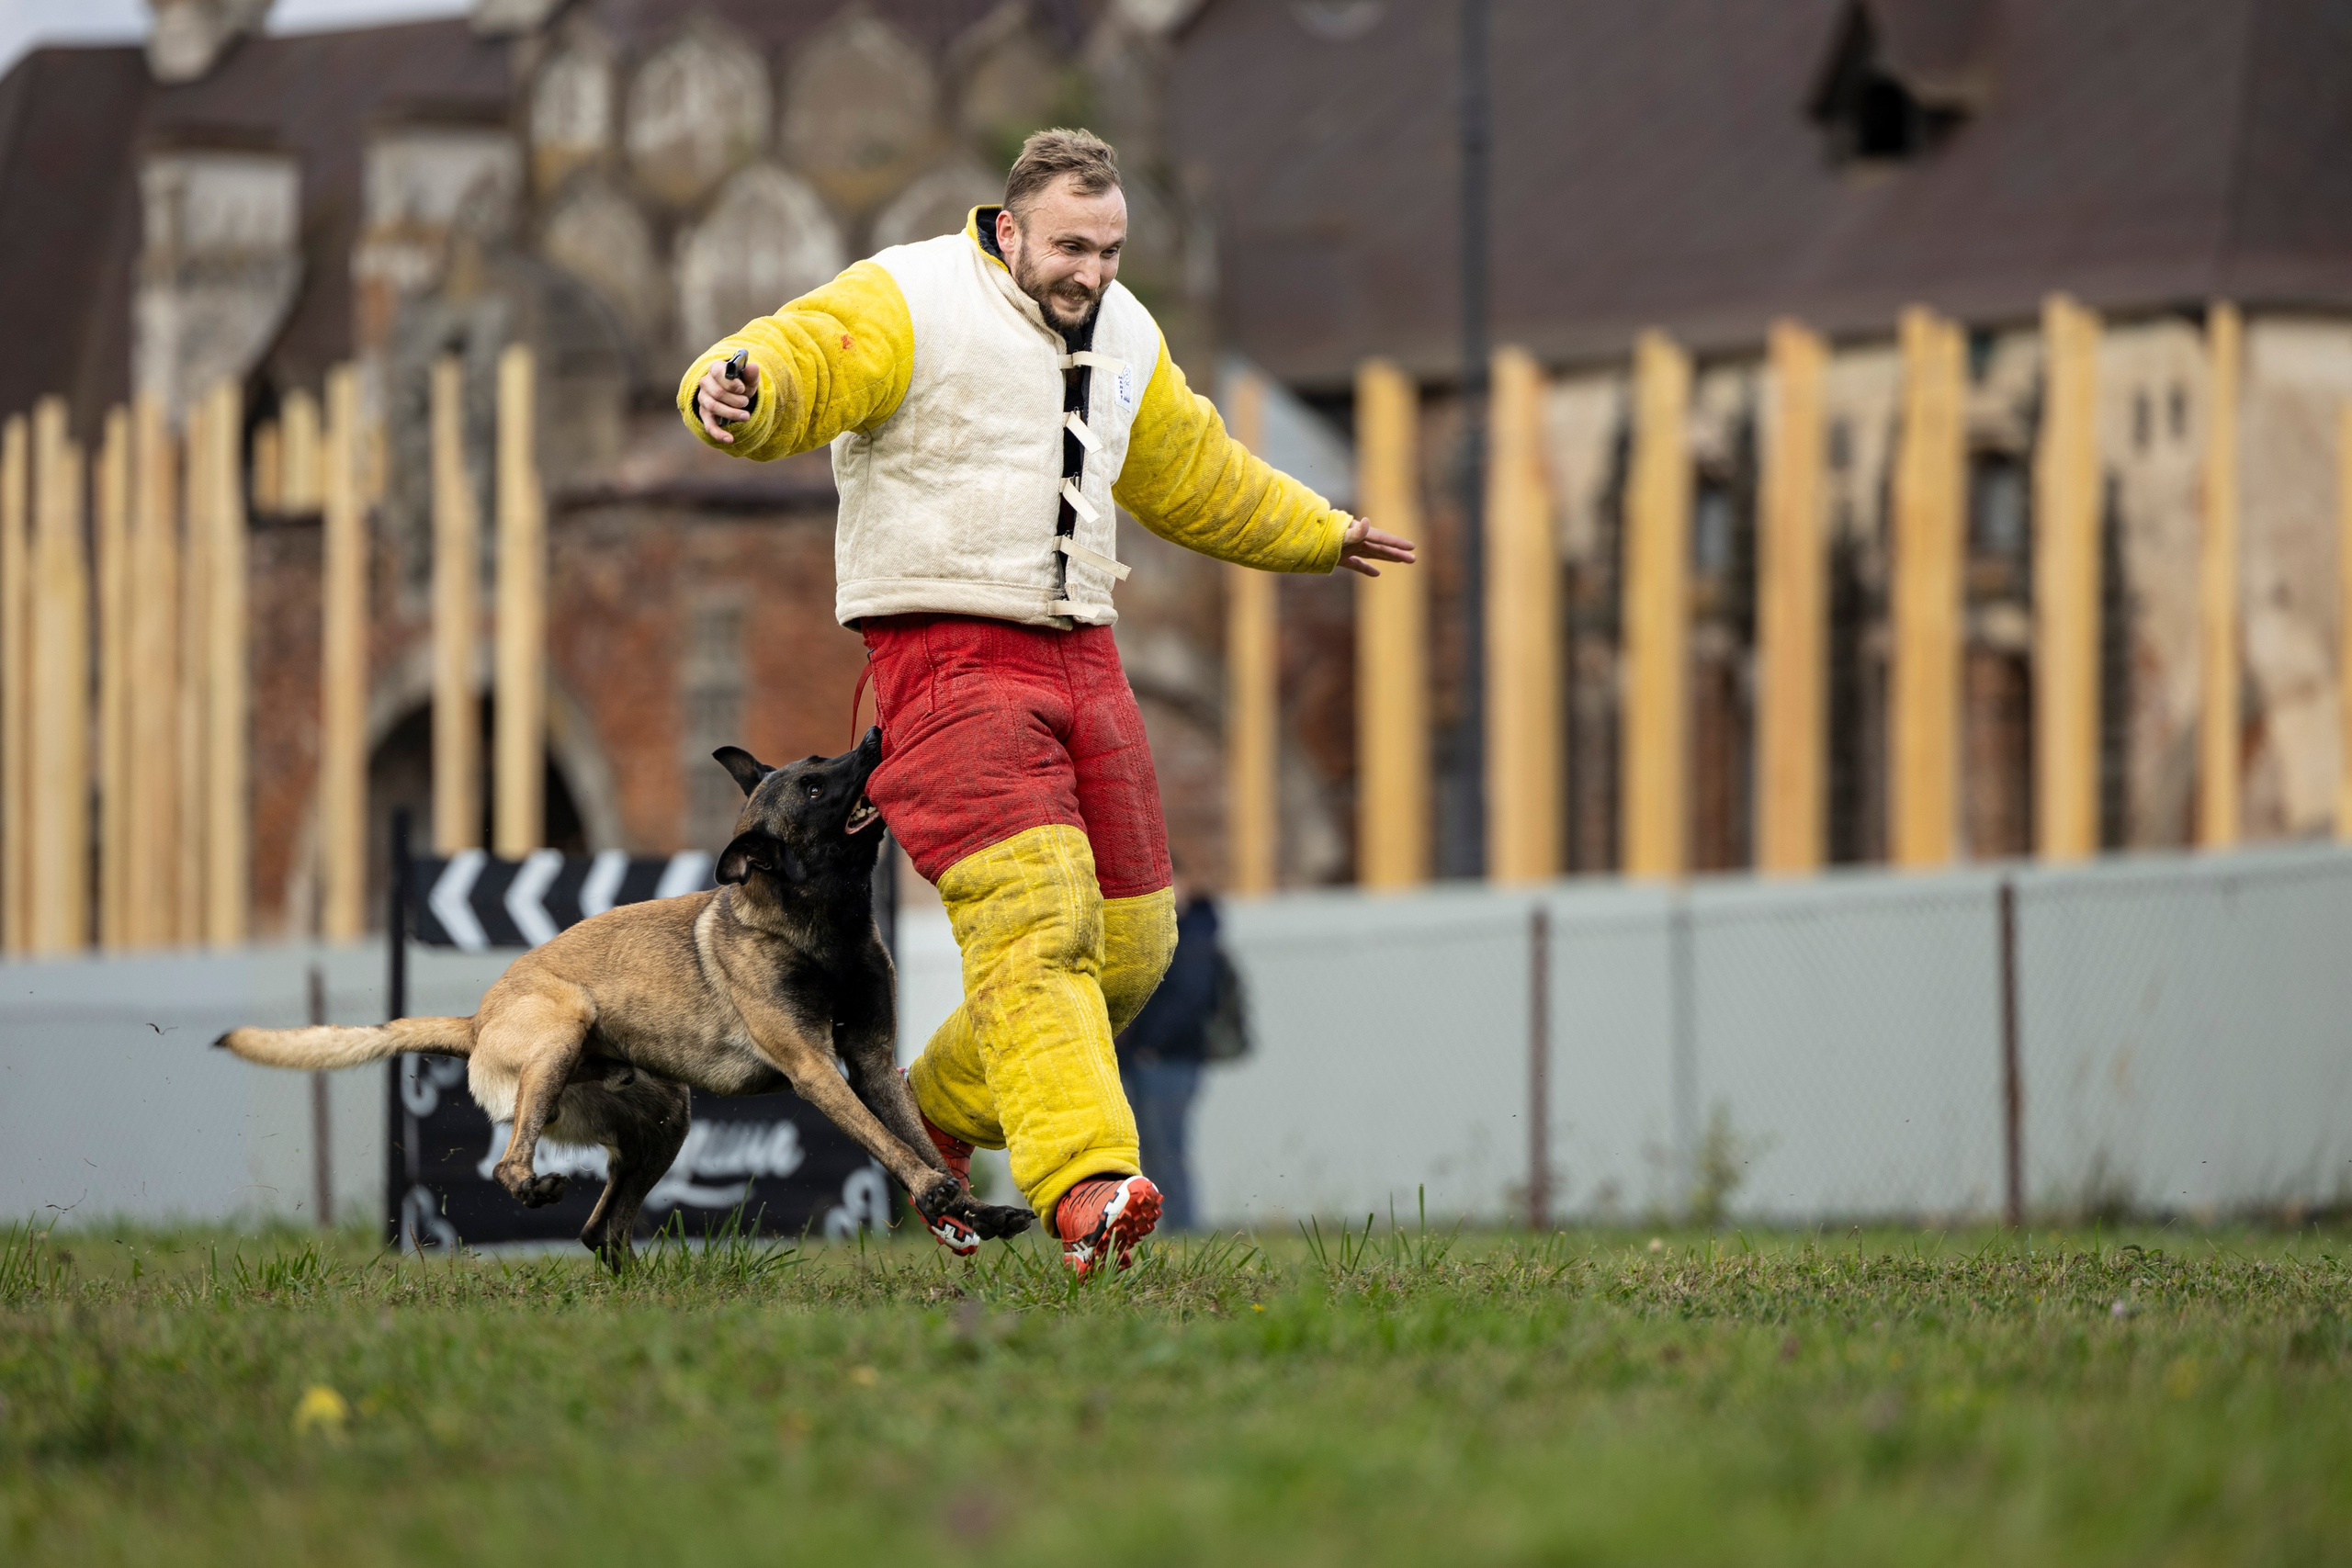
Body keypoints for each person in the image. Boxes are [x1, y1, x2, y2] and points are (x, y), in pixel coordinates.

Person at [682, 128, 1414, 1275]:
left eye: (1112, 250)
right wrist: (740, 389)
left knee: (1130, 945)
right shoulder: (910, 297)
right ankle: (1087, 1188)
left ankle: (926, 1108)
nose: (1093, 272)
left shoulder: (1127, 333)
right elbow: (798, 356)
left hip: (1083, 650)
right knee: (1036, 918)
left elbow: (1192, 468)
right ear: (1010, 228)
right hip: (942, 653)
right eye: (1072, 246)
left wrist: (1321, 531)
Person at [1114, 874, 1225, 1232]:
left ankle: (1183, 1226)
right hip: (1146, 1058)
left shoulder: (1193, 935)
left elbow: (1189, 999)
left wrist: (1152, 1044)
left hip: (1170, 1059)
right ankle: (1156, 1226)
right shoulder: (1161, 931)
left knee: (1167, 1148)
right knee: (1147, 1148)